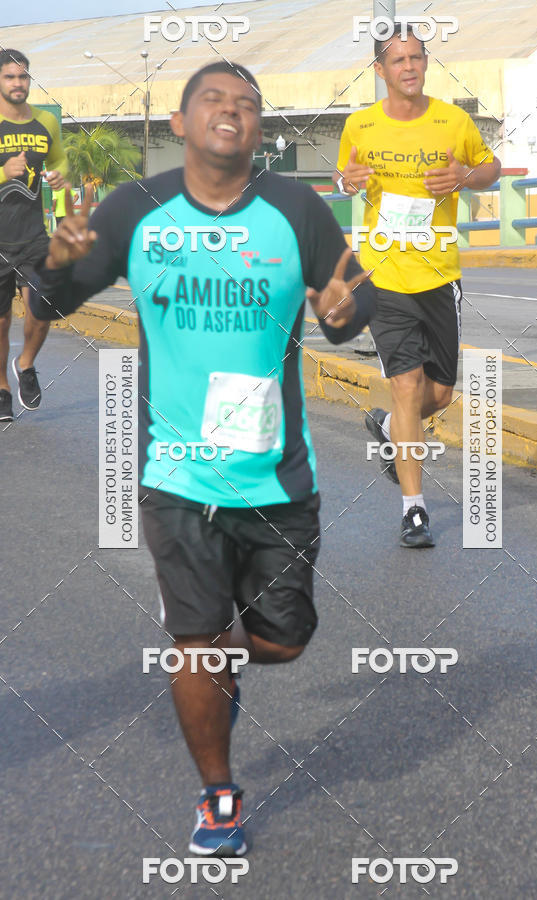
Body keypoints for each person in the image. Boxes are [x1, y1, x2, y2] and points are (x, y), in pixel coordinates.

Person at [28, 61, 375, 856]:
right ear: (181, 124)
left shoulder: (296, 208)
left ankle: (215, 650)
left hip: (277, 474)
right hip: (174, 474)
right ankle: (218, 793)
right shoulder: (135, 208)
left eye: (249, 104)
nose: (233, 111)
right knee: (197, 642)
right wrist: (53, 263)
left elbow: (347, 309)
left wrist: (346, 315)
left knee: (284, 640)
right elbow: (51, 304)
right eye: (214, 100)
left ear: (260, 129)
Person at [334, 25, 501, 547]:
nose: (408, 66)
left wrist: (465, 179)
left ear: (425, 64)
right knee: (406, 385)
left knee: (440, 393)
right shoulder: (360, 124)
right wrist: (347, 181)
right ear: (380, 71)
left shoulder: (454, 120)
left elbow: (490, 166)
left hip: (439, 274)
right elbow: (344, 176)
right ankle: (414, 511)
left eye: (416, 58)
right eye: (397, 60)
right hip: (384, 275)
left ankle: (389, 428)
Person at [0, 49, 67, 421]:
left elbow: (58, 160)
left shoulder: (45, 122)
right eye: (10, 77)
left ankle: (25, 364)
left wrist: (58, 175)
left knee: (42, 308)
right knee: (1, 321)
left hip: (33, 237)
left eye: (23, 77)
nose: (17, 83)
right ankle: (2, 389)